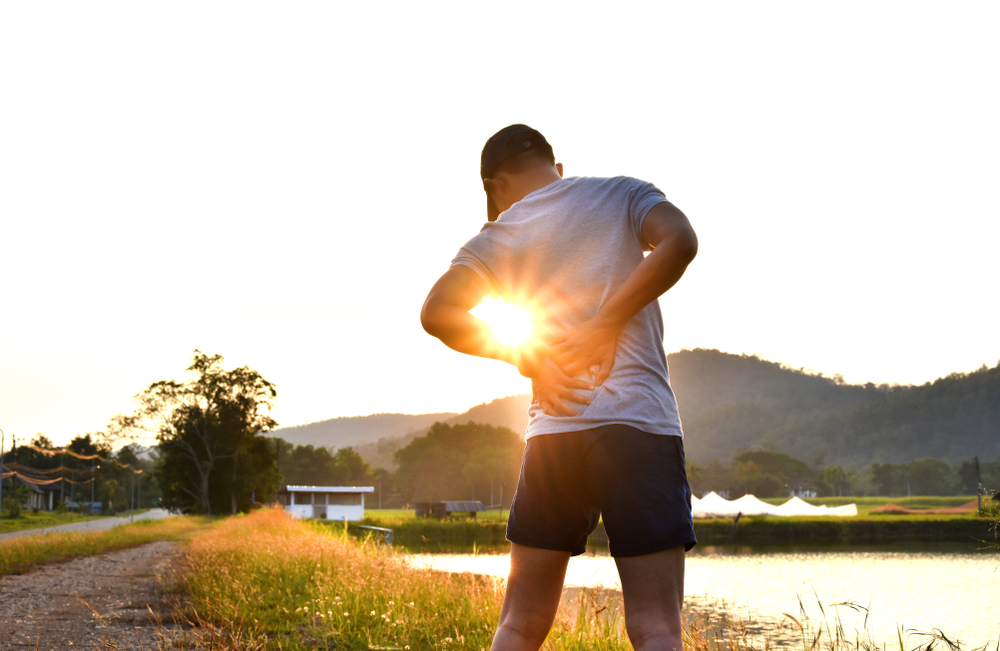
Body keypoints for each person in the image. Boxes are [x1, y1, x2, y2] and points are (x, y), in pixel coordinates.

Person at [420, 124, 698, 651]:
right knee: (656, 627)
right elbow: (681, 241)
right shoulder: (621, 192)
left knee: (519, 626)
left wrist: (530, 357)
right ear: (557, 167)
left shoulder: (500, 233)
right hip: (637, 426)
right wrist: (606, 322)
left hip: (555, 434)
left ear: (494, 185)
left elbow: (437, 313)